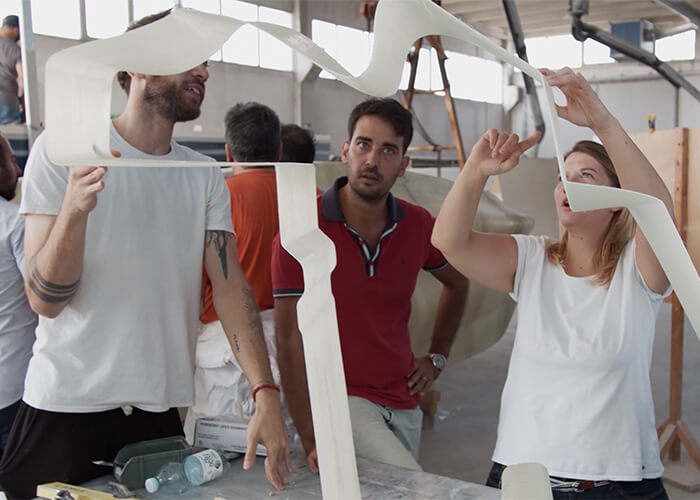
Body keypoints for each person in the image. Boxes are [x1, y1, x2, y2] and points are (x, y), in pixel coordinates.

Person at [0, 11, 289, 499]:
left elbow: (229, 287)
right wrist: (74, 210)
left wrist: (265, 391)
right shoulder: (65, 149)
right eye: (187, 58)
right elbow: (44, 300)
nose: (203, 71)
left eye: (205, 62)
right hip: (67, 406)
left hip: (155, 414)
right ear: (136, 65)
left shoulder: (201, 175)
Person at [432, 67, 674, 500]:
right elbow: (449, 241)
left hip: (614, 485)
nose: (568, 184)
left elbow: (656, 209)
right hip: (522, 480)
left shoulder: (637, 274)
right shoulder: (532, 259)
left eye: (586, 176)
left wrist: (601, 121)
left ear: (617, 202)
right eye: (564, 176)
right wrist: (476, 170)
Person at [272, 97, 469, 473]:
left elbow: (458, 283)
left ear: (404, 165)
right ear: (346, 150)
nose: (372, 160)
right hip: (340, 400)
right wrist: (310, 434)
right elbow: (288, 340)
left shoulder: (418, 225)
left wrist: (438, 357)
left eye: (388, 150)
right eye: (364, 145)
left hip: (404, 401)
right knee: (414, 488)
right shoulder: (303, 229)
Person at [186, 102, 285, 438]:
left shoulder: (217, 199)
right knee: (284, 457)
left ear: (228, 152)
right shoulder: (309, 199)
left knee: (214, 456)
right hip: (291, 346)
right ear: (279, 151)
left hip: (225, 349)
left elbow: (194, 286)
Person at [0, 131, 36, 459]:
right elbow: (43, 292)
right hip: (13, 387)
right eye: (11, 161)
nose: (17, 169)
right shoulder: (15, 224)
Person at [0, 15, 23, 125]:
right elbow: (22, 78)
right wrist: (22, 101)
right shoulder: (14, 49)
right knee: (9, 133)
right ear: (16, 30)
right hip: (7, 101)